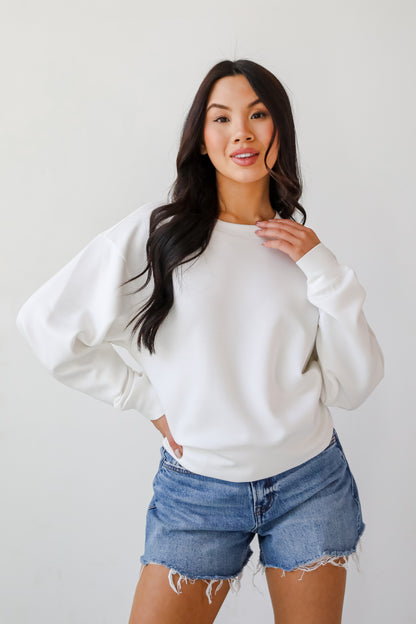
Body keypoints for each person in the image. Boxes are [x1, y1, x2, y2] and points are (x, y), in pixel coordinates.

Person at [16, 59, 384, 624]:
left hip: (310, 483)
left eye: (257, 115)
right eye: (222, 118)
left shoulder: (305, 254)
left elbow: (354, 387)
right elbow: (45, 323)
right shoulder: (156, 235)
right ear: (202, 137)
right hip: (197, 495)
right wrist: (144, 399)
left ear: (280, 129)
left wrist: (324, 269)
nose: (241, 133)